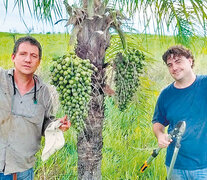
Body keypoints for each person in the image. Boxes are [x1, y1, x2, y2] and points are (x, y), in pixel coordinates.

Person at [0, 36, 71, 180]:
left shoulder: (45, 93)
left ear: (38, 62)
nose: (28, 60)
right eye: (23, 54)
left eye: (33, 56)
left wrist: (57, 124)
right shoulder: (1, 79)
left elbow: (45, 121)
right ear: (13, 57)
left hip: (22, 170)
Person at [152, 45, 207, 180]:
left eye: (178, 61)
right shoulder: (166, 94)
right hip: (175, 165)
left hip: (204, 167)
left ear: (190, 61)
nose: (174, 68)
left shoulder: (205, 84)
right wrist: (160, 135)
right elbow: (158, 122)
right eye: (170, 65)